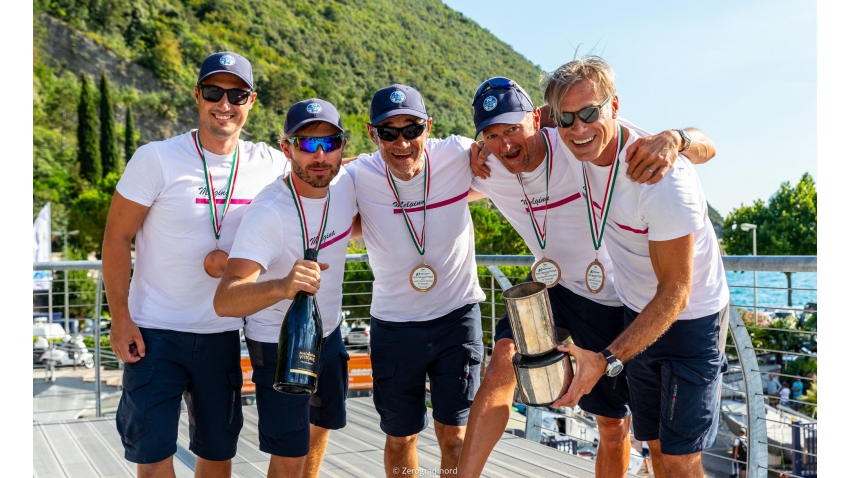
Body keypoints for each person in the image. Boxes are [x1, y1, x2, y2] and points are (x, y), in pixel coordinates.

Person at [458, 78, 716, 478]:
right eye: (491, 135)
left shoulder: (581, 138)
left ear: (536, 118)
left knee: (613, 427)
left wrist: (676, 138)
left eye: (512, 129)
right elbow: (406, 166)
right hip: (552, 287)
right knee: (501, 364)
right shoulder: (488, 163)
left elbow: (706, 146)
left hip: (611, 297)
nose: (504, 143)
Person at [102, 51, 287, 478]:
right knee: (151, 461)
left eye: (237, 94)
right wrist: (121, 319)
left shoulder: (270, 164)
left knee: (217, 456)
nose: (225, 103)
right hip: (154, 334)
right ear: (197, 96)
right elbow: (116, 236)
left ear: (251, 101)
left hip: (221, 335)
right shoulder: (156, 159)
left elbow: (325, 171)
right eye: (213, 92)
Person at [547, 56, 730, 478]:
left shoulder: (660, 177)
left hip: (690, 319)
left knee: (682, 462)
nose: (578, 128)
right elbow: (515, 131)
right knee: (657, 451)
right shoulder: (570, 136)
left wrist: (606, 359)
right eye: (566, 119)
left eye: (589, 113)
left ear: (613, 106)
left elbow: (676, 292)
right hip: (637, 313)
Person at [345, 84, 486, 477]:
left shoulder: (458, 154)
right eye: (388, 132)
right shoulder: (357, 176)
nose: (402, 142)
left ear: (429, 127)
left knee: (455, 437)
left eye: (412, 129)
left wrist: (676, 138)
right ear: (373, 134)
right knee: (400, 439)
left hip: (456, 318)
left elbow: (526, 136)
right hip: (394, 326)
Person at [213, 99, 356, 478]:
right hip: (279, 344)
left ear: (344, 145)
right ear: (286, 147)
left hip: (329, 333)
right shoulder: (269, 212)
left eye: (331, 142)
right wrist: (282, 286)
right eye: (307, 144)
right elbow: (225, 299)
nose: (321, 154)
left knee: (319, 429)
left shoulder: (346, 186)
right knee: (289, 454)